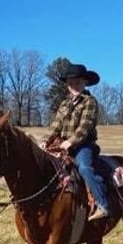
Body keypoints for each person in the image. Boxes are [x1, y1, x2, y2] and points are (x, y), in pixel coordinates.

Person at [44, 63, 110, 221]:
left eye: (78, 82)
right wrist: (46, 141)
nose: (74, 86)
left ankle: (103, 204)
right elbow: (56, 125)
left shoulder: (90, 102)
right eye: (71, 83)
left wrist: (71, 142)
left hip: (83, 145)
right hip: (62, 145)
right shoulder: (64, 104)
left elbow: (85, 127)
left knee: (85, 168)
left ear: (85, 82)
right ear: (67, 85)